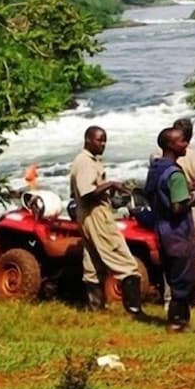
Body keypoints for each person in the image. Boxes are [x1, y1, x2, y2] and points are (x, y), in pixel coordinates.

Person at [69, 126, 143, 315]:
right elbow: (86, 194)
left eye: (104, 141)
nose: (103, 144)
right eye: (99, 140)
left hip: (85, 215)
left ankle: (96, 307)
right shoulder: (85, 162)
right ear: (88, 140)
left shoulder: (83, 161)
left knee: (93, 261)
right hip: (96, 214)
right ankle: (134, 310)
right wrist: (111, 184)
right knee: (125, 261)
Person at [152, 118, 195, 313]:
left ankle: (169, 300)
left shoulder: (158, 157)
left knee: (171, 256)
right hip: (193, 209)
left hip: (165, 211)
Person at [145, 127, 195, 332]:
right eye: (182, 141)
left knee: (173, 275)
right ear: (170, 145)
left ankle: (179, 321)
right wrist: (192, 200)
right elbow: (178, 206)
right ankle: (177, 322)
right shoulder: (175, 174)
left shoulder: (155, 168)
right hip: (178, 232)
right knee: (184, 278)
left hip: (161, 229)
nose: (186, 144)